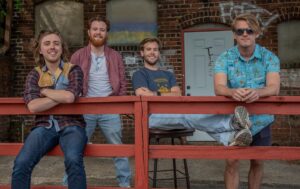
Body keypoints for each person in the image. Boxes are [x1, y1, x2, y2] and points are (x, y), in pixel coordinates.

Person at [132, 37, 252, 147]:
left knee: (195, 117)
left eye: (155, 49)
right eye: (148, 49)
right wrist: (165, 94)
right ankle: (232, 123)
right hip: (152, 117)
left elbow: (177, 94)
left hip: (174, 112)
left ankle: (230, 138)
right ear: (142, 53)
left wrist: (154, 93)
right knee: (187, 116)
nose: (152, 52)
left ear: (158, 53)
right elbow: (142, 94)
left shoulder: (168, 74)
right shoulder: (139, 74)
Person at [11, 30, 87, 189]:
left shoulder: (74, 70)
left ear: (62, 48)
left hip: (72, 125)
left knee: (73, 159)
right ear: (40, 49)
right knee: (21, 162)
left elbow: (70, 97)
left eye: (56, 43)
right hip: (44, 126)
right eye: (47, 43)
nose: (52, 47)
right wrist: (60, 95)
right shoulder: (34, 74)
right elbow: (33, 106)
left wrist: (44, 92)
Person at [62, 16, 131, 188]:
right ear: (89, 32)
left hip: (110, 107)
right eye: (95, 29)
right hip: (85, 107)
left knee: (118, 148)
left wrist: (118, 104)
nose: (98, 32)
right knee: (75, 148)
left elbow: (123, 82)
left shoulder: (115, 56)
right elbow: (69, 80)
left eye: (102, 29)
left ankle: (125, 183)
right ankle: (68, 183)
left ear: (106, 33)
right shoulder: (78, 55)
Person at [214, 13, 280, 189]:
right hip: (234, 119)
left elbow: (274, 87)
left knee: (258, 162)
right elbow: (219, 88)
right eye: (240, 30)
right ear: (234, 34)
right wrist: (231, 92)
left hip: (262, 119)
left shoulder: (270, 58)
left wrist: (258, 93)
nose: (245, 34)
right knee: (231, 161)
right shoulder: (224, 58)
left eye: (249, 30)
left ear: (256, 33)